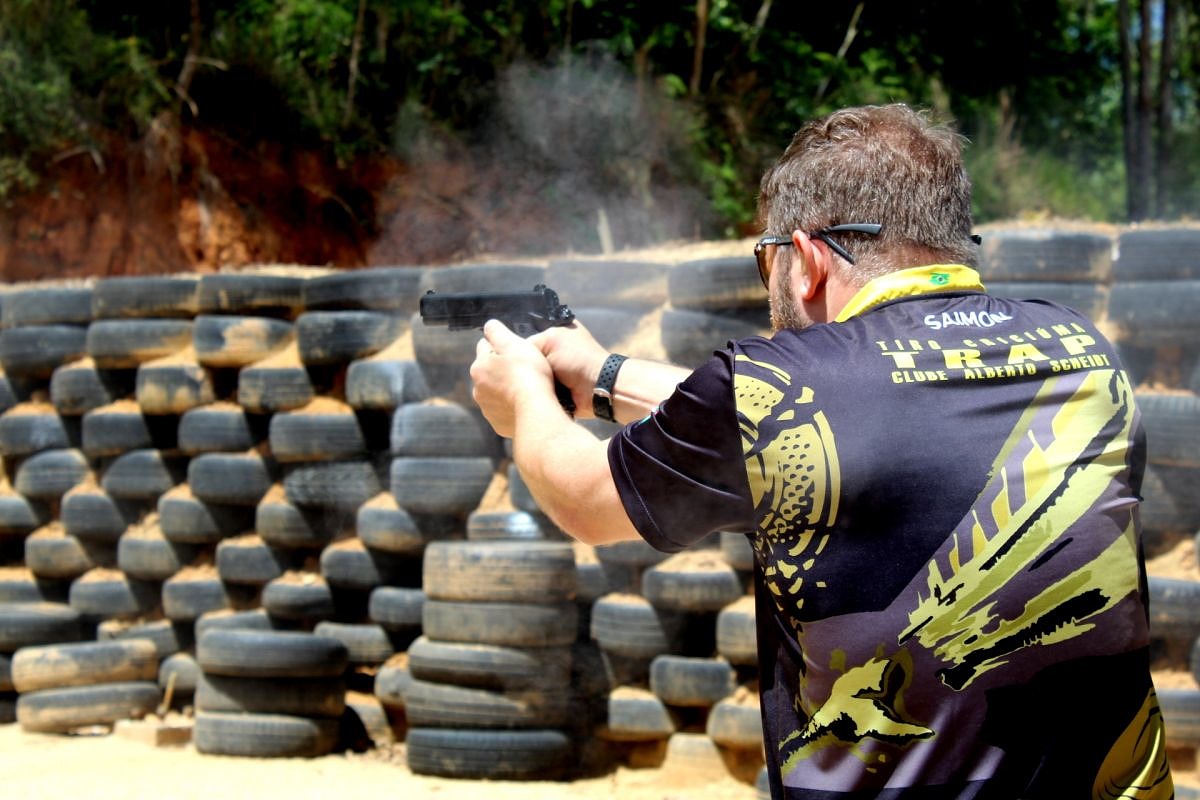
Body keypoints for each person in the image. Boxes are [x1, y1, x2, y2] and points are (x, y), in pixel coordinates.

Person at [469, 104, 1172, 798]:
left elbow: (585, 498)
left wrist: (523, 395)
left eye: (766, 261)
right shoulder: (1082, 352)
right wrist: (606, 378)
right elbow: (850, 420)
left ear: (804, 259)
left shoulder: (777, 385)